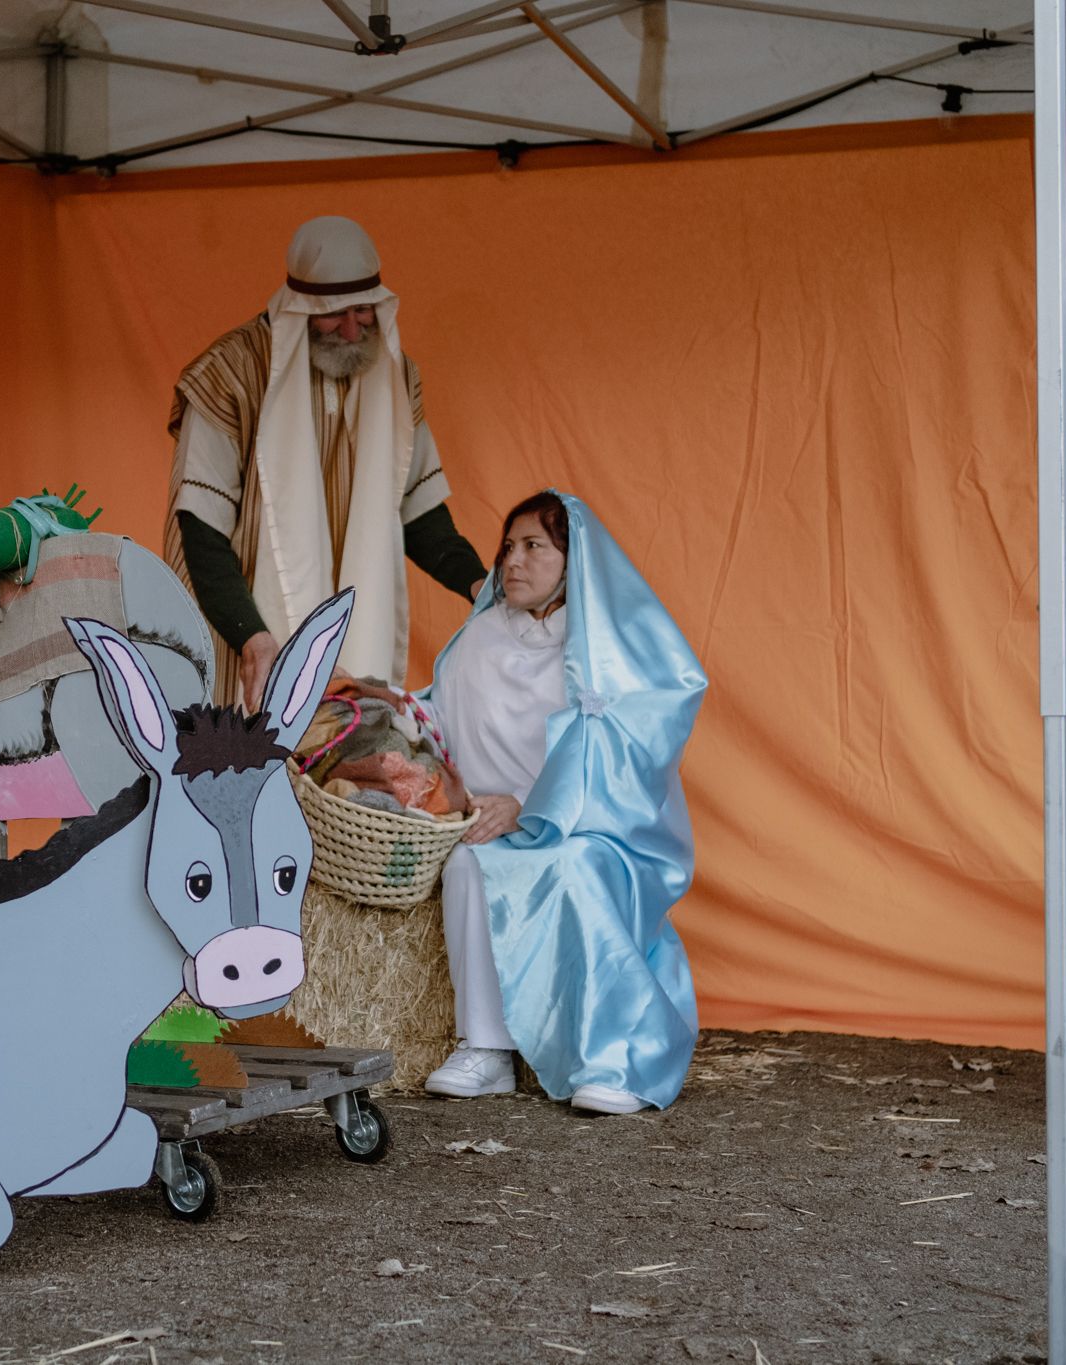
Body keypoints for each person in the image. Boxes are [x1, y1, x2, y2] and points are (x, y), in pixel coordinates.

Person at [420, 491, 708, 1114]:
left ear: (575, 561)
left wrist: (529, 806)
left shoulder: (607, 646)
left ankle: (612, 1062)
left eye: (534, 547)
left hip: (596, 827)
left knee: (576, 865)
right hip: (499, 821)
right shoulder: (478, 639)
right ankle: (486, 1049)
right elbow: (439, 725)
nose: (512, 561)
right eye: (508, 546)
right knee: (467, 863)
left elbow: (632, 750)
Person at [164, 215, 489, 706]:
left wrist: (478, 582)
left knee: (352, 742)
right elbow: (201, 528)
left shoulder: (394, 377)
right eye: (334, 314)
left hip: (348, 637)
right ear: (301, 308)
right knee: (243, 741)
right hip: (242, 636)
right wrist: (252, 637)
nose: (354, 330)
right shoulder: (229, 375)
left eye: (364, 310)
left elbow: (417, 510)